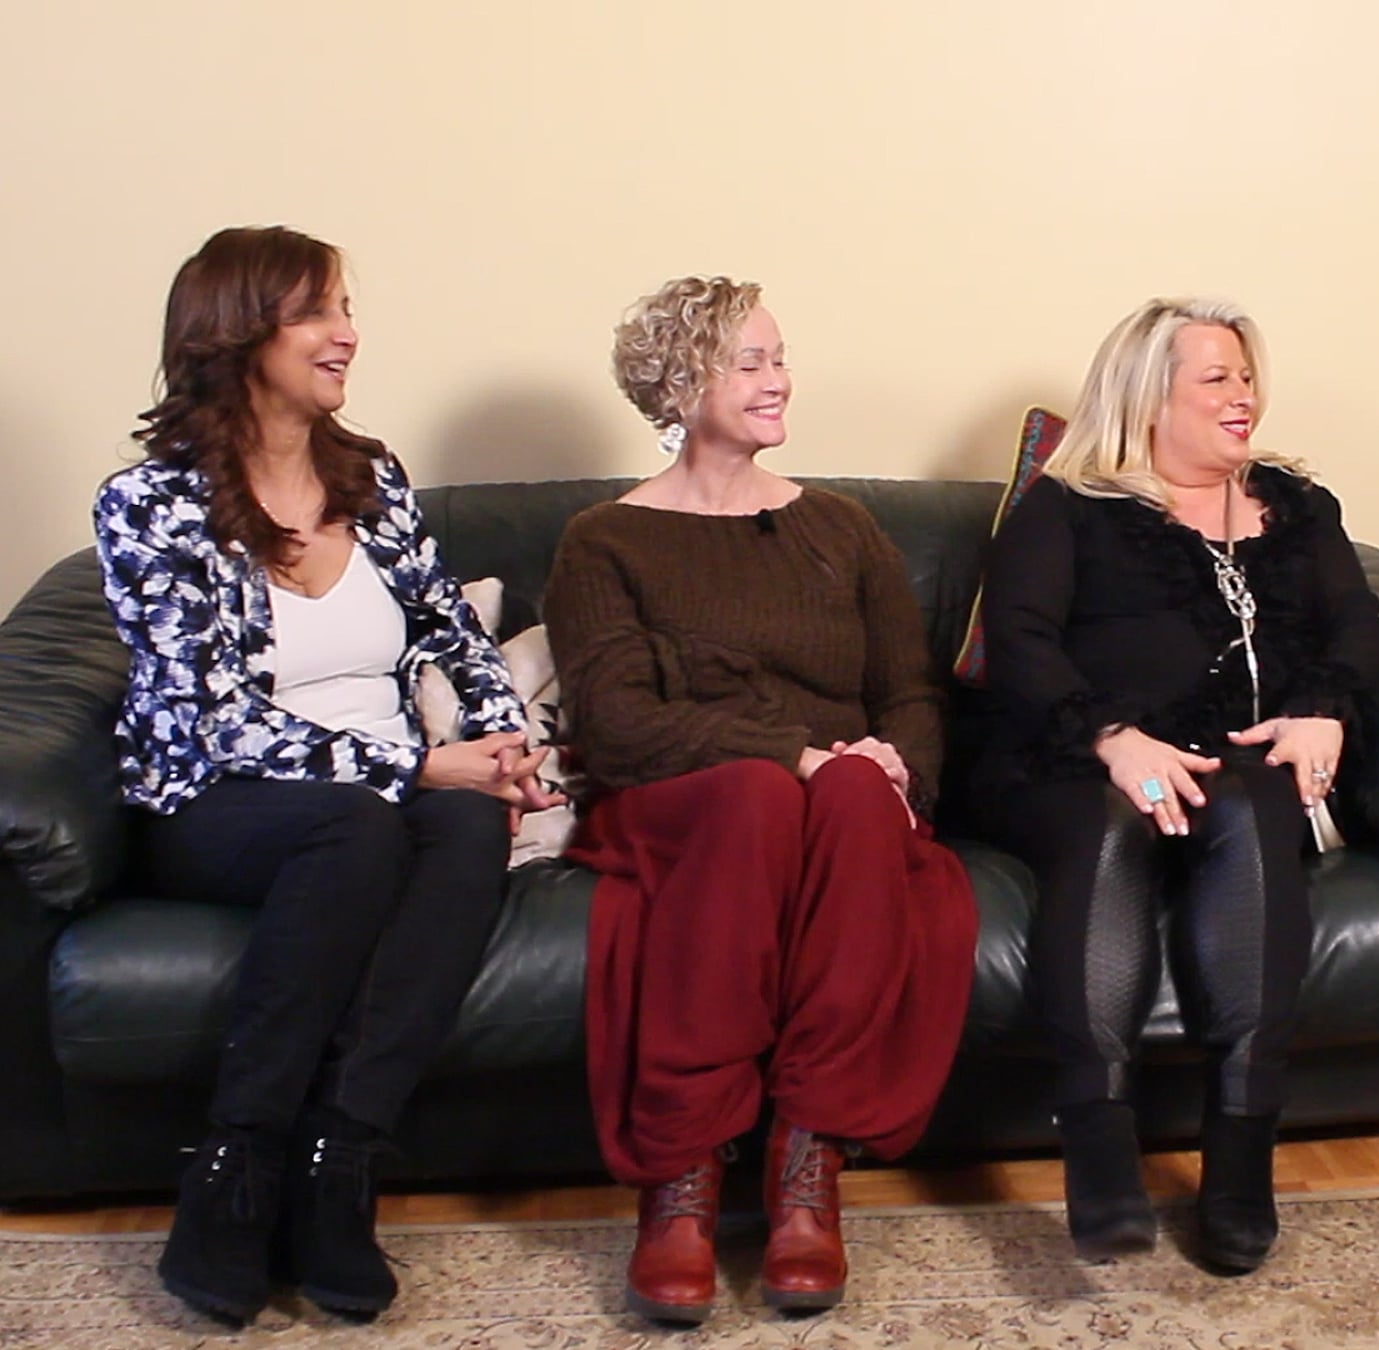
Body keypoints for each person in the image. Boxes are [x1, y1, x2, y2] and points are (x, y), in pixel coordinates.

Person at [94, 226, 556, 1324]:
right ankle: (233, 1167)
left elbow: (451, 633)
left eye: (345, 308)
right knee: (356, 824)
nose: (346, 333)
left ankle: (335, 1162)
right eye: (317, 312)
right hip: (224, 800)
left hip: (389, 790)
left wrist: (503, 748)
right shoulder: (149, 505)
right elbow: (213, 721)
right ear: (239, 331)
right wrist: (420, 764)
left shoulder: (371, 477)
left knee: (463, 827)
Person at [543, 276, 977, 1324]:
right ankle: (682, 1174)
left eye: (780, 359)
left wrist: (892, 773)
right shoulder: (603, 540)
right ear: (680, 383)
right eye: (750, 363)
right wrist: (795, 755)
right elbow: (618, 724)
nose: (778, 380)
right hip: (688, 797)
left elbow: (909, 694)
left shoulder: (842, 528)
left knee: (858, 799)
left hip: (838, 798)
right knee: (753, 797)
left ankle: (807, 1162)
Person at [970, 298, 1379, 1273]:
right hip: (1079, 759)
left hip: (1240, 763)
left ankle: (1240, 1156)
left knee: (1254, 808)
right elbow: (1021, 644)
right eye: (1216, 379)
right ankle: (1099, 1149)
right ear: (1149, 399)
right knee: (1115, 821)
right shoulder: (1069, 506)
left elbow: (1360, 628)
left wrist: (1324, 710)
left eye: (1246, 376)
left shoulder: (1298, 506)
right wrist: (1114, 739)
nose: (1243, 396)